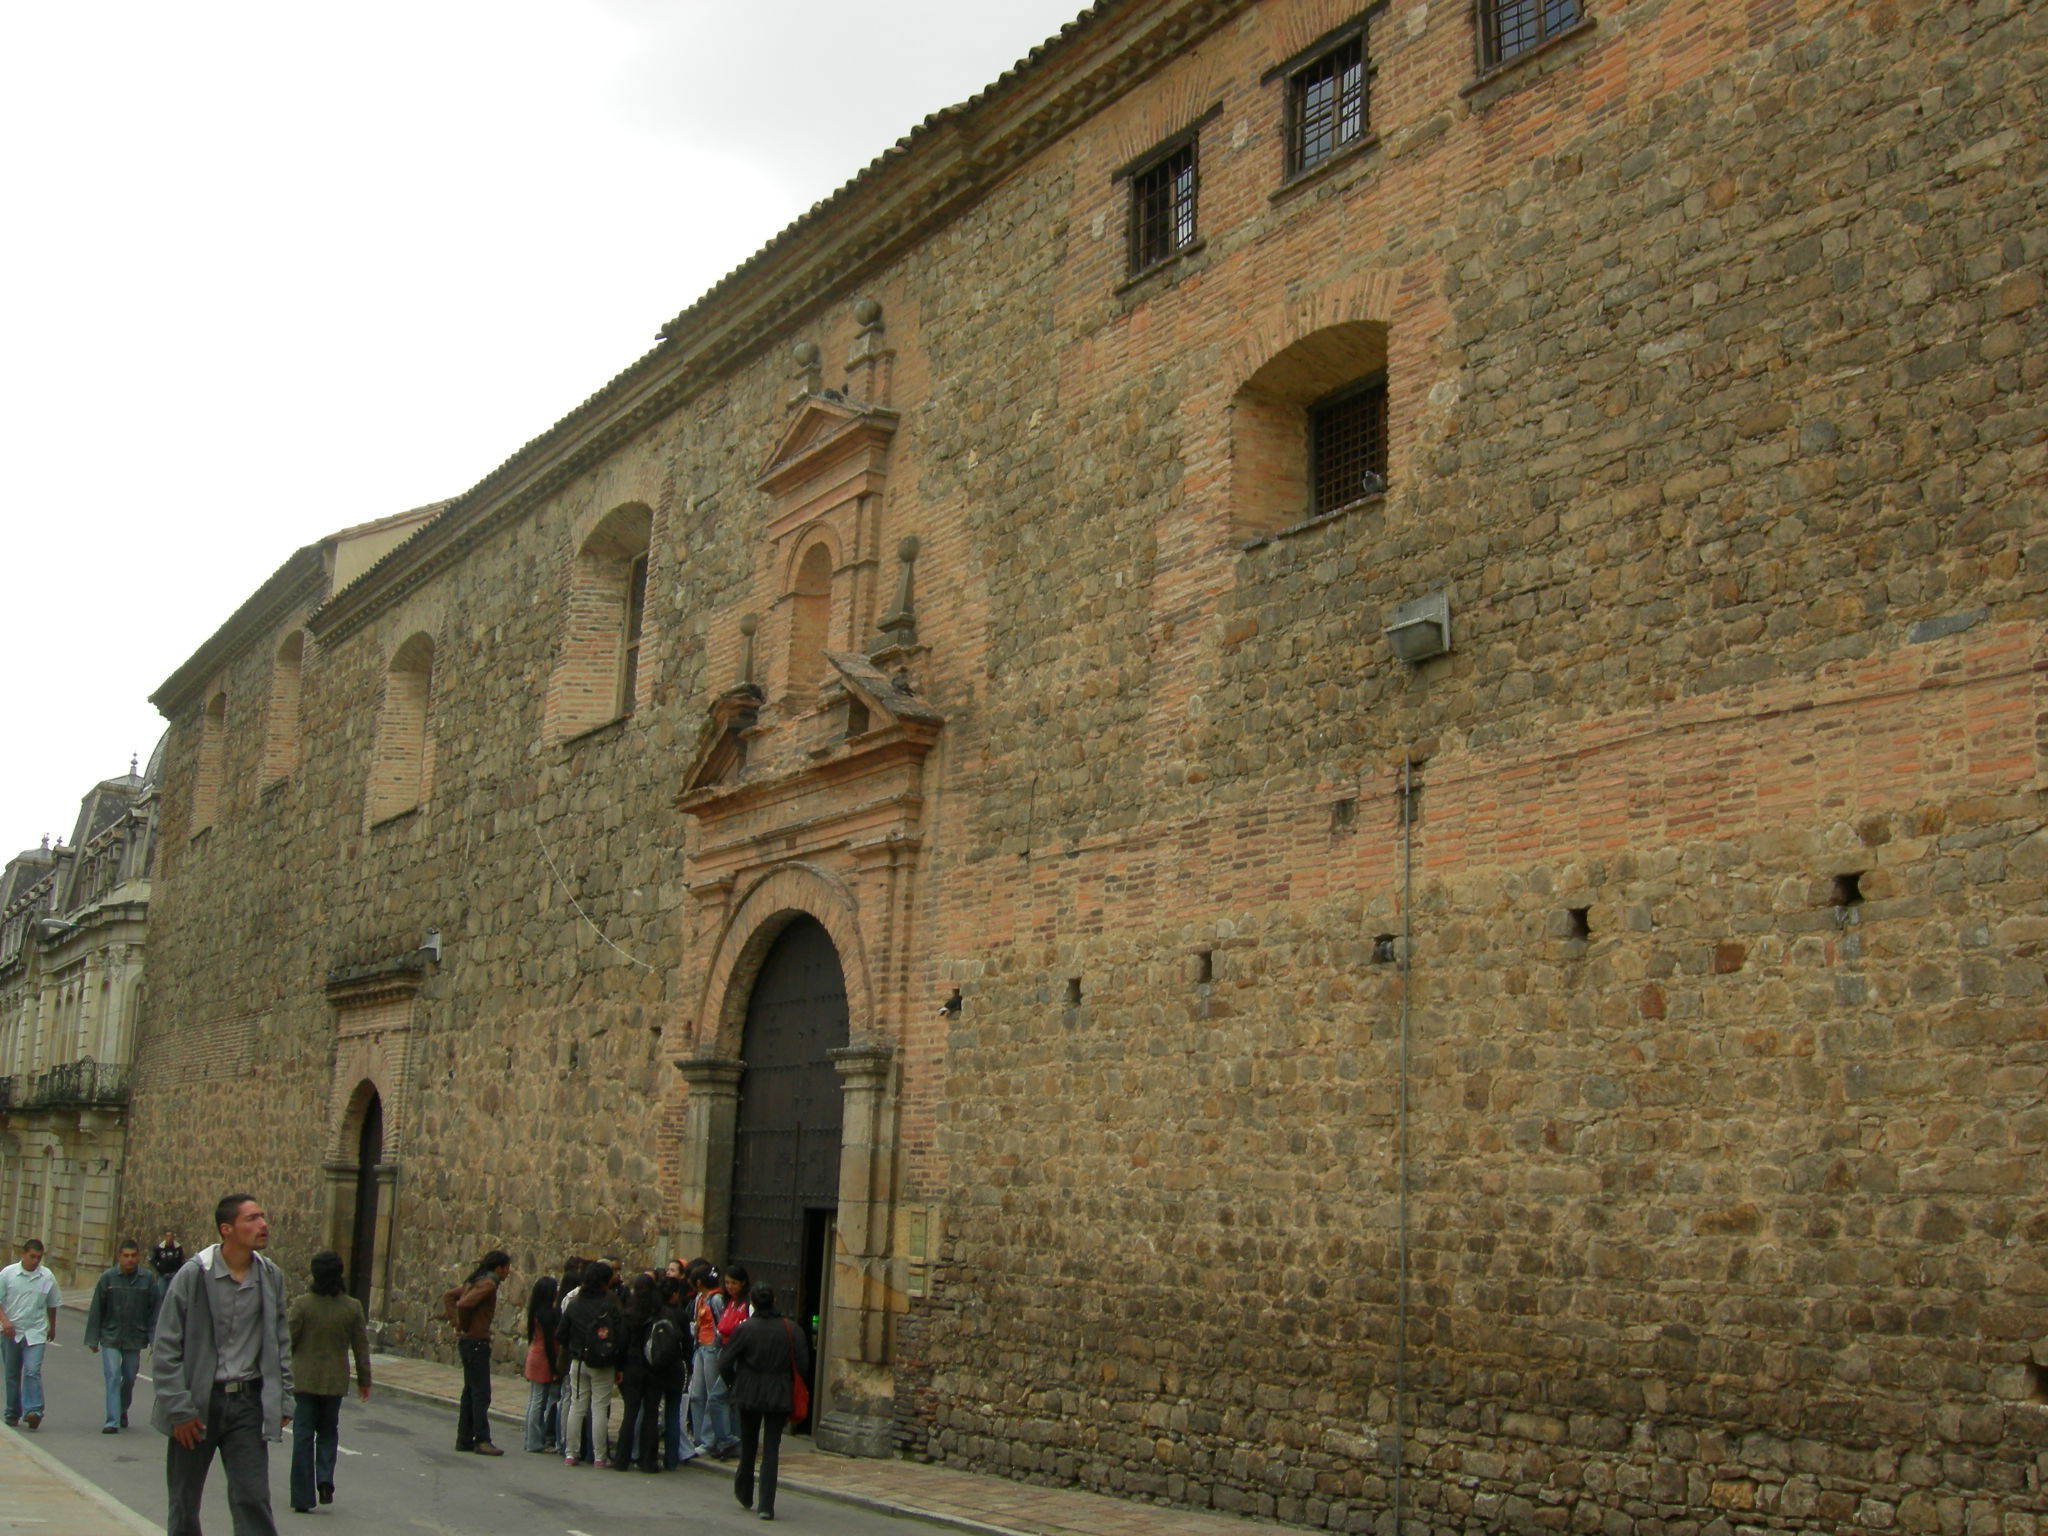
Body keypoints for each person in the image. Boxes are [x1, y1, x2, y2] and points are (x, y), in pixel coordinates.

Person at [152, 1194, 293, 1536]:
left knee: (253, 1497)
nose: (263, 1224)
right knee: (185, 1504)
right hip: (197, 1404)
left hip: (246, 1402)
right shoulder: (193, 1275)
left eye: (263, 1216)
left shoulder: (269, 1275)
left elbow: (279, 1340)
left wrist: (284, 1395)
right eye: (252, 1218)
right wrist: (179, 1409)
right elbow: (166, 1346)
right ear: (226, 1229)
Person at [285, 1251, 370, 1512]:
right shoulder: (352, 1307)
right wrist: (364, 1380)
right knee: (328, 1431)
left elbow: (288, 1342)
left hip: (304, 1380)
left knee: (302, 1435)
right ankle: (324, 1478)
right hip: (334, 1381)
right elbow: (361, 1346)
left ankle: (302, 1495)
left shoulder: (302, 1305)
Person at [718, 1283, 809, 1523]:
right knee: (771, 1450)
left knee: (749, 1445)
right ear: (775, 1300)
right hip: (778, 1392)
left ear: (753, 1303)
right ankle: (766, 1505)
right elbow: (803, 1365)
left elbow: (724, 1362)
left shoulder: (745, 1329)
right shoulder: (791, 1330)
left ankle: (745, 1492)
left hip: (748, 1391)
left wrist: (733, 1383)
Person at [84, 1239, 160, 1432]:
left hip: (135, 1337)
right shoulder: (108, 1278)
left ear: (138, 1257)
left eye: (133, 1256)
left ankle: (121, 1409)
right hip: (111, 1335)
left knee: (129, 1376)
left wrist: (155, 1339)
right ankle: (112, 1421)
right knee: (112, 1376)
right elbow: (96, 1309)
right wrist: (93, 1338)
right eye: (126, 1256)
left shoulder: (147, 1279)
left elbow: (155, 1311)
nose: (130, 1260)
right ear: (119, 1257)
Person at [556, 1259, 623, 1468]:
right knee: (600, 1408)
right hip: (602, 1362)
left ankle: (571, 1452)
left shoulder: (575, 1304)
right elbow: (621, 1335)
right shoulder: (610, 1305)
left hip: (578, 1360)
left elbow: (561, 1334)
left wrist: (574, 1347)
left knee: (577, 1406)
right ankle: (599, 1456)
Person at [452, 1250, 510, 1455]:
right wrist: (464, 1324)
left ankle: (464, 1438)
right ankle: (482, 1439)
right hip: (476, 1341)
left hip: (469, 1341)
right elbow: (464, 1303)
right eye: (506, 1268)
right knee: (481, 1393)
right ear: (498, 1268)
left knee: (470, 1391)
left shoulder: (474, 1281)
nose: (508, 1273)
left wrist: (458, 1326)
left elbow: (450, 1296)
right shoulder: (488, 1284)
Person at [0, 1238, 61, 1430]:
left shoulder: (46, 1277)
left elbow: (52, 1303)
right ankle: (12, 1412)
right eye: (32, 1256)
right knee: (12, 1373)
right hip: (11, 1332)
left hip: (35, 1331)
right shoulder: (8, 1274)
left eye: (39, 1258)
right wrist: (5, 1321)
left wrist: (51, 1326)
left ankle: (34, 1411)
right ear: (23, 1254)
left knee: (32, 1370)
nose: (35, 1261)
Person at [614, 1272, 660, 1471]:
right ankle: (647, 1460)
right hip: (653, 1366)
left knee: (630, 1413)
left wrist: (619, 1367)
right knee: (651, 1413)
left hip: (632, 1365)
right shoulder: (658, 1312)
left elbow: (621, 1343)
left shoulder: (629, 1313)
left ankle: (622, 1459)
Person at [707, 1263, 751, 1457]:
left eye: (734, 1283)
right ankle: (732, 1441)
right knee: (730, 1401)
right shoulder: (729, 1302)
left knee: (717, 1398)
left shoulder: (745, 1304)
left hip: (736, 1355)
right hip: (725, 1352)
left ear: (742, 1284)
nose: (730, 1287)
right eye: (727, 1283)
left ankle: (728, 1439)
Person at [521, 1274, 563, 1454]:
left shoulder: (535, 1311)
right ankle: (534, 1441)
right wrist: (555, 1368)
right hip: (543, 1359)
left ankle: (531, 1439)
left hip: (535, 1355)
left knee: (534, 1400)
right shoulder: (547, 1314)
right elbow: (549, 1343)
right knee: (539, 1401)